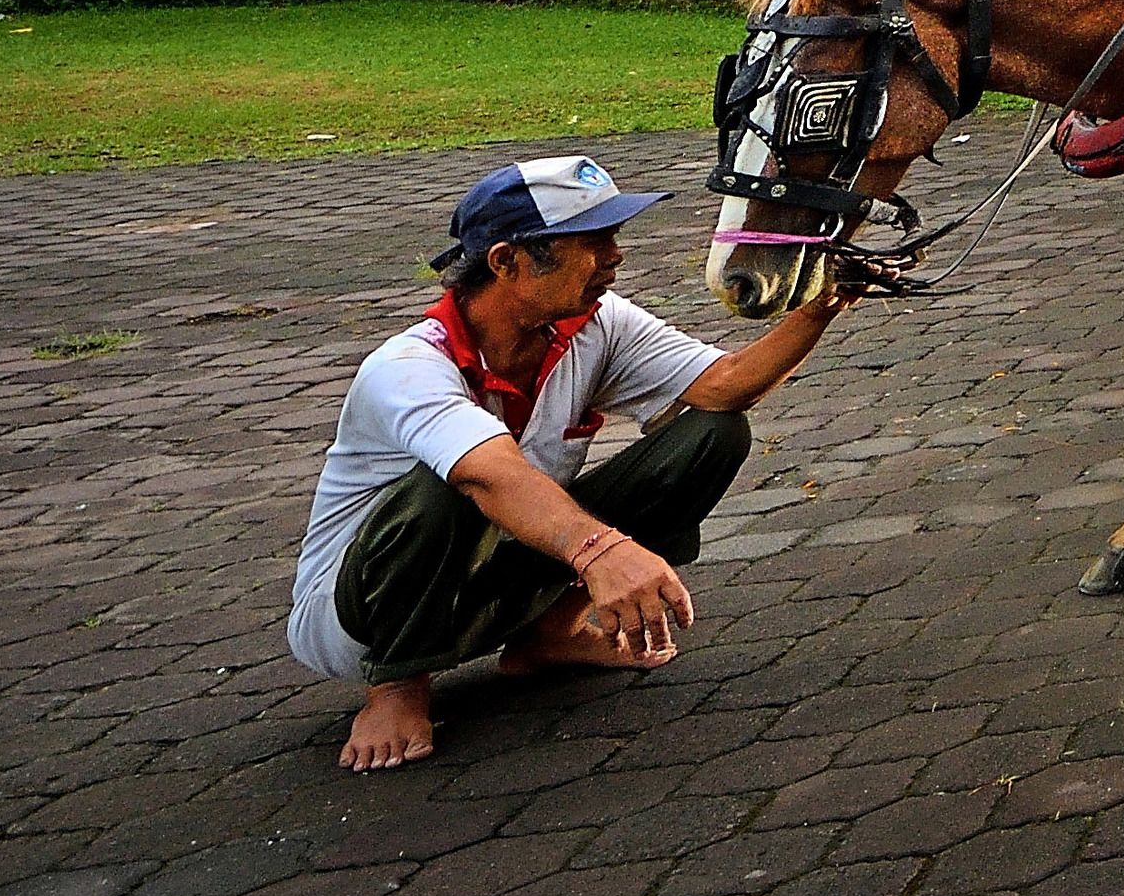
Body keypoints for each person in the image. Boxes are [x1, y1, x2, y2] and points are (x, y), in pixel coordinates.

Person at [289, 154, 855, 770]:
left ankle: (547, 635)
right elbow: (490, 475)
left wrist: (822, 305)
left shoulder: (595, 322)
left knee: (712, 433)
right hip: (362, 618)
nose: (615, 256)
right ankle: (397, 685)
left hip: (494, 575)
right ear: (508, 262)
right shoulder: (405, 369)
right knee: (448, 484)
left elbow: (722, 386)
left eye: (613, 236)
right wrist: (601, 553)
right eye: (593, 241)